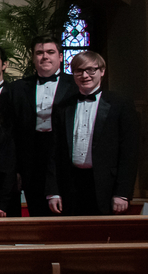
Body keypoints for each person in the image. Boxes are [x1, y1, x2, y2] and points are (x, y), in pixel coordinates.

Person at [47, 51, 140, 216]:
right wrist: (53, 191)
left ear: (102, 71)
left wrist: (122, 192)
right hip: (71, 185)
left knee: (106, 238)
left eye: (91, 70)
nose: (85, 75)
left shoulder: (120, 104)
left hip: (107, 187)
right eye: (79, 71)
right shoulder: (63, 107)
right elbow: (54, 152)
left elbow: (129, 153)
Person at [0, 35, 76, 217]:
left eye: (50, 52)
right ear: (33, 58)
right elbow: (7, 130)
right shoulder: (16, 89)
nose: (45, 57)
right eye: (39, 53)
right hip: (30, 159)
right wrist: (14, 169)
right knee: (37, 212)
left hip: (65, 158)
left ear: (61, 56)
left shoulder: (75, 86)